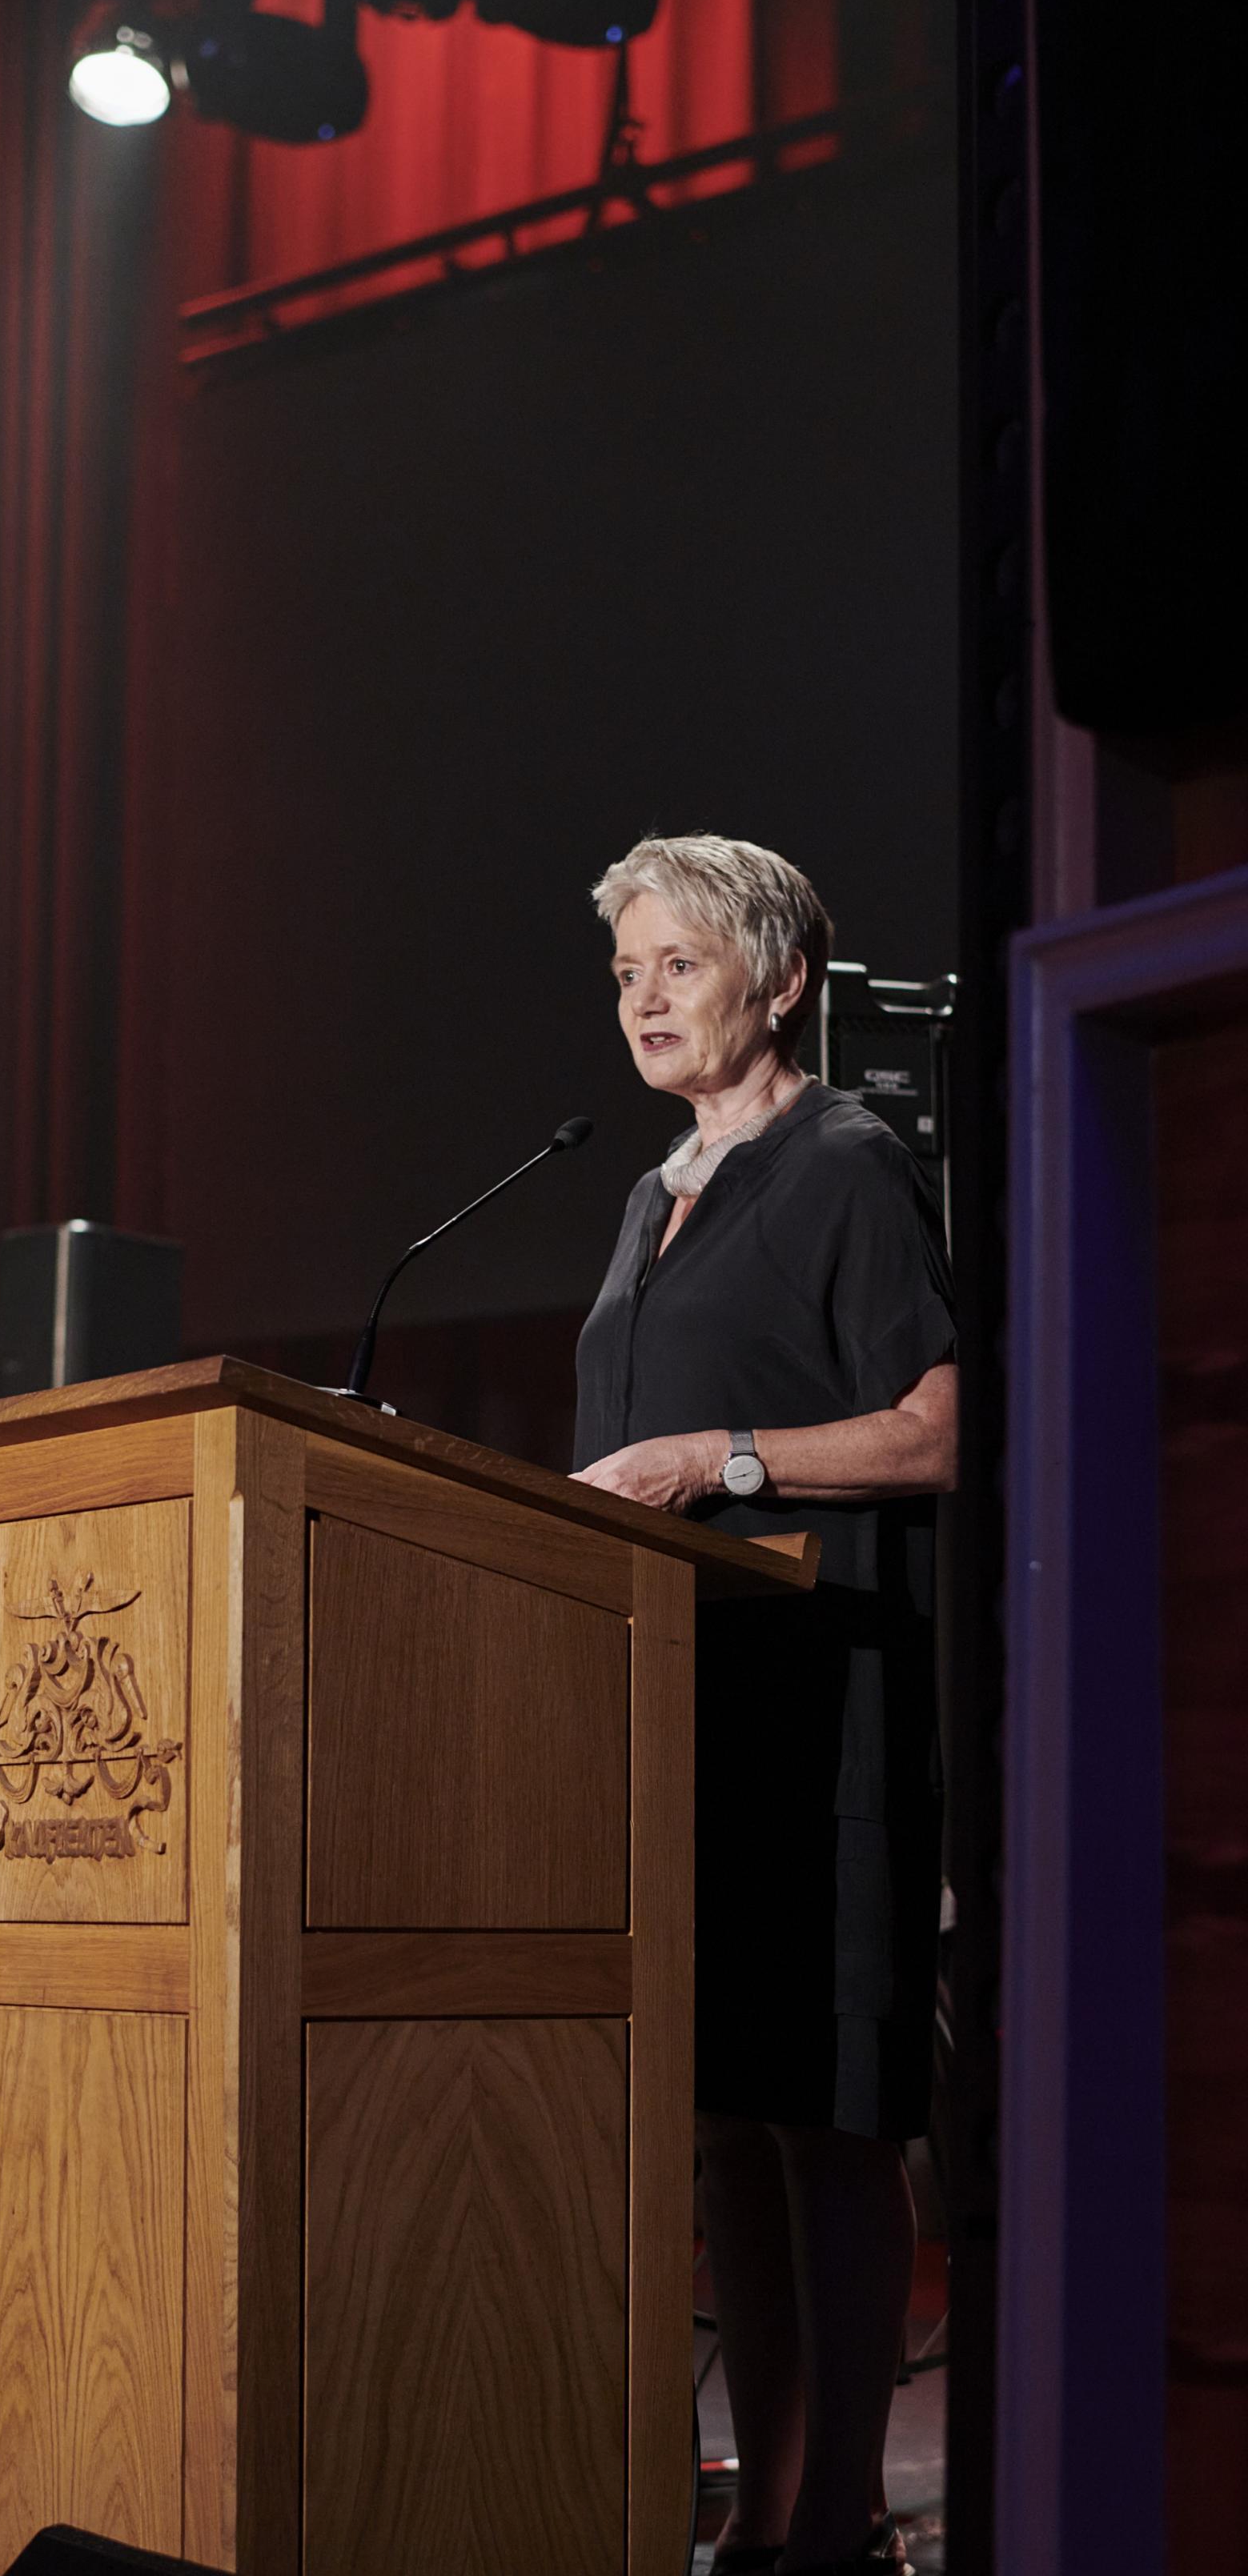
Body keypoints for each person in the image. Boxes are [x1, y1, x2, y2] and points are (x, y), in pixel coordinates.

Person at [571, 834, 957, 2576]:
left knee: (826, 2114)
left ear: (782, 978)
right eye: (625, 972)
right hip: (683, 1712)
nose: (644, 997)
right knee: (725, 2111)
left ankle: (843, 2519)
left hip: (823, 1710)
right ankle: (769, 2513)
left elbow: (942, 1427)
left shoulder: (850, 1163)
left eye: (679, 962)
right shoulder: (647, 1199)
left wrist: (716, 1461)